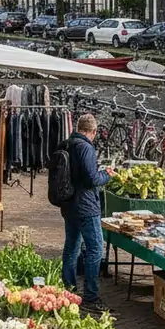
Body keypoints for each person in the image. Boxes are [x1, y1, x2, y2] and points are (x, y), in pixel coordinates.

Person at [60, 113, 114, 314]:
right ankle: (90, 296)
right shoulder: (86, 148)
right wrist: (106, 174)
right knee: (95, 250)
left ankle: (69, 288)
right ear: (93, 132)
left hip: (69, 205)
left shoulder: (67, 144)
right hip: (86, 207)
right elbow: (92, 179)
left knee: (71, 247)